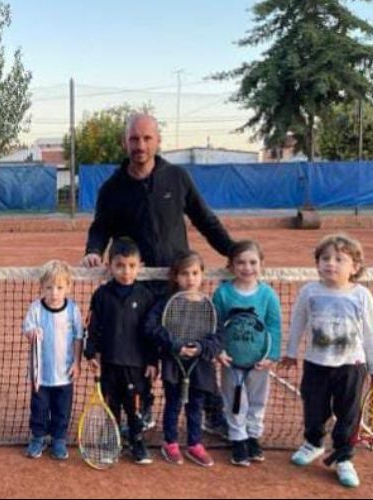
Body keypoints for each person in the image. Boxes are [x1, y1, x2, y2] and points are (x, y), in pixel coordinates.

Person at [82, 113, 235, 432]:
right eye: (134, 139)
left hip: (175, 283)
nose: (140, 145)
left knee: (194, 346)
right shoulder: (112, 188)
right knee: (138, 348)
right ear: (125, 142)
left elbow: (205, 220)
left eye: (146, 138)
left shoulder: (177, 178)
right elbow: (100, 227)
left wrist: (232, 251)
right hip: (134, 284)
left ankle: (210, 408)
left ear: (158, 141)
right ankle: (145, 406)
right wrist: (94, 251)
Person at [281, 234, 373, 488]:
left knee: (348, 414)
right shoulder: (309, 292)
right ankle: (313, 443)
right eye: (325, 258)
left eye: (339, 259)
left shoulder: (361, 296)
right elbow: (298, 323)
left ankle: (344, 457)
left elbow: (371, 332)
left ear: (355, 268)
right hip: (316, 364)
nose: (331, 264)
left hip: (352, 366)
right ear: (317, 263)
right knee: (313, 408)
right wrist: (291, 352)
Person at [84, 238, 157, 465]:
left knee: (134, 408)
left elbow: (150, 332)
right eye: (120, 265)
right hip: (109, 364)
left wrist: (153, 361)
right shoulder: (101, 295)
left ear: (140, 266)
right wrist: (90, 353)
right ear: (109, 266)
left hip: (136, 365)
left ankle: (137, 443)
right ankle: (110, 443)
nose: (126, 271)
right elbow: (93, 327)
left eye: (131, 266)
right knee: (110, 407)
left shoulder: (145, 296)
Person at [146, 251, 221, 468]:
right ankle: (170, 442)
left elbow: (218, 337)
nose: (190, 278)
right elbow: (150, 328)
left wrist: (201, 348)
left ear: (202, 275)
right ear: (175, 277)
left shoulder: (210, 305)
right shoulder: (165, 303)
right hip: (174, 364)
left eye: (195, 273)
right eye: (184, 273)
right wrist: (175, 345)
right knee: (173, 403)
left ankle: (195, 444)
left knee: (195, 406)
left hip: (200, 365)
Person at [213, 240, 282, 466]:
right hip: (231, 360)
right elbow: (215, 324)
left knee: (257, 400)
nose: (247, 267)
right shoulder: (222, 293)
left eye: (253, 262)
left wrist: (270, 355)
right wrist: (219, 350)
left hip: (258, 361)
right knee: (233, 400)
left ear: (261, 264)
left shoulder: (268, 295)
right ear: (231, 266)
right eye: (240, 262)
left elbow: (274, 325)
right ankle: (238, 439)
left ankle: (253, 436)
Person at [22, 260, 84, 460]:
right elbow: (27, 329)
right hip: (40, 374)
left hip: (64, 374)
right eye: (49, 287)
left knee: (62, 410)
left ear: (68, 287)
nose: (54, 292)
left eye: (59, 287)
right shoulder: (36, 309)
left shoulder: (72, 309)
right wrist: (32, 333)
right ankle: (38, 438)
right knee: (39, 409)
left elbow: (78, 337)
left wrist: (76, 362)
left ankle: (59, 439)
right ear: (42, 287)